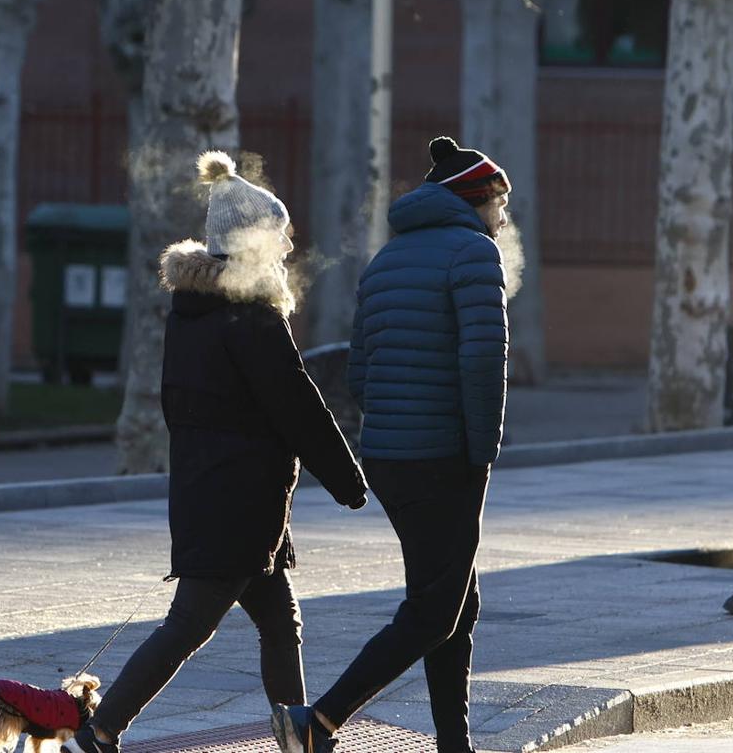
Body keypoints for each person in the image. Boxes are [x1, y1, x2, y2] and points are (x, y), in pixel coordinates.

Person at [62, 150, 368, 753]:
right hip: (241, 503)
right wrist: (348, 480)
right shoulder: (252, 319)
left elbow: (181, 407)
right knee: (190, 624)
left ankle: (296, 734)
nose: (286, 249)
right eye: (278, 238)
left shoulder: (191, 315)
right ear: (251, 243)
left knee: (281, 625)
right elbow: (298, 406)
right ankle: (99, 729)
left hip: (214, 492)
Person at [271, 136, 510, 753]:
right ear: (477, 200)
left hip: (389, 455)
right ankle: (318, 722)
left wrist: (391, 424)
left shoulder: (387, 259)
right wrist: (482, 452)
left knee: (453, 595)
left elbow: (359, 371)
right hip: (446, 456)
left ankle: (453, 742)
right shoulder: (476, 254)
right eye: (501, 203)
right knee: (435, 610)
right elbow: (483, 361)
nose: (505, 217)